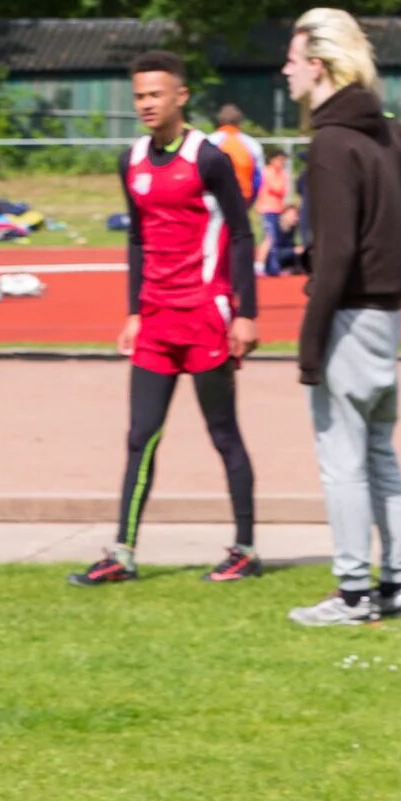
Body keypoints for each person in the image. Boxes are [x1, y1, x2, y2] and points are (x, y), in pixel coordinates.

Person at [280, 8, 401, 627]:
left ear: (319, 65)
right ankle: (398, 586)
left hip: (348, 319)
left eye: (292, 58)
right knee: (380, 454)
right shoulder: (386, 130)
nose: (285, 70)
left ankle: (354, 593)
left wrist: (309, 345)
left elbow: (333, 257)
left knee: (342, 460)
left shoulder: (331, 145)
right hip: (385, 318)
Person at [70, 50, 263, 587]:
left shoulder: (209, 159)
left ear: (181, 96)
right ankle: (123, 552)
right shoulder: (130, 159)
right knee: (140, 436)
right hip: (155, 321)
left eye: (156, 94)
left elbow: (243, 234)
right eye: (139, 96)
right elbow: (136, 237)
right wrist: (133, 310)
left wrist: (245, 313)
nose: (146, 104)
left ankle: (245, 549)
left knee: (223, 433)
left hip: (204, 316)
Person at [255, 150, 296, 275]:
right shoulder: (267, 172)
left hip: (278, 208)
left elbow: (284, 190)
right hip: (267, 209)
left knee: (275, 239)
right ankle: (262, 266)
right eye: (280, 159)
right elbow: (277, 188)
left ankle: (270, 266)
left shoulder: (282, 173)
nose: (282, 163)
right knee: (270, 238)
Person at [207, 103, 262, 196]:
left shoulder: (208, 141)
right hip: (243, 196)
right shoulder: (252, 144)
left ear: (220, 121)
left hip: (214, 197)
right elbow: (258, 179)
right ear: (239, 121)